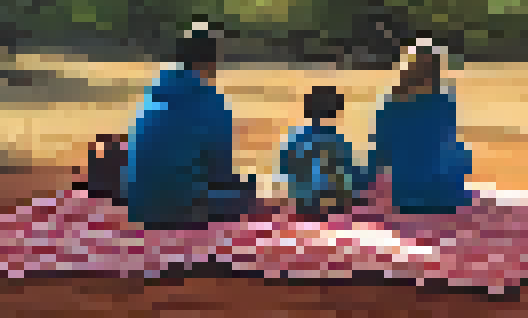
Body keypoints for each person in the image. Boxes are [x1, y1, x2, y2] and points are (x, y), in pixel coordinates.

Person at [123, 21, 259, 228]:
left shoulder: (153, 93)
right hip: (183, 211)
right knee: (249, 189)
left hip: (140, 207)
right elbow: (220, 172)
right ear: (210, 62)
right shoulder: (213, 103)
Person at [358, 39, 476, 214]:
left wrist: (366, 183)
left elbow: (380, 151)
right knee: (462, 151)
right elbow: (448, 143)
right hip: (445, 192)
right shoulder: (444, 100)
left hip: (406, 191)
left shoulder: (390, 101)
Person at [277, 85, 360, 219]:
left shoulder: (296, 140)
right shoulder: (339, 142)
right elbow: (352, 176)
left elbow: (285, 168)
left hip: (303, 205)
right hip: (334, 207)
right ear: (335, 110)